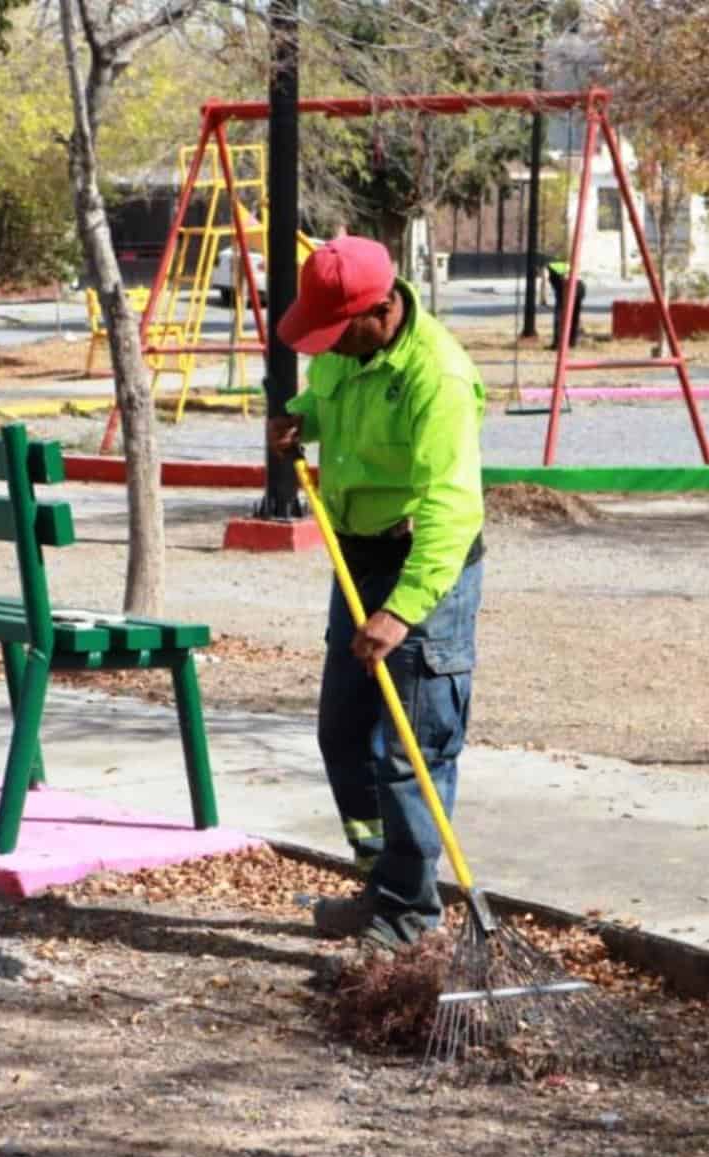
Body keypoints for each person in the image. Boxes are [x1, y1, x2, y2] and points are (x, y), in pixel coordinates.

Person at [266, 236, 486, 950]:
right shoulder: (345, 351)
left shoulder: (438, 376)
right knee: (343, 733)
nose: (323, 346)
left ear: (381, 309)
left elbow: (454, 510)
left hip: (421, 568)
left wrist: (402, 610)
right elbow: (331, 404)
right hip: (355, 558)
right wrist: (302, 421)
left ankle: (412, 915)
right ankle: (384, 886)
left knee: (409, 748)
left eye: (336, 330)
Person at [543, 257, 586, 348]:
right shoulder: (565, 264)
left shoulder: (547, 267)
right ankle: (572, 342)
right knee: (574, 315)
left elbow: (544, 282)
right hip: (580, 286)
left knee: (559, 315)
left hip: (566, 286)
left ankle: (557, 343)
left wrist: (543, 298)